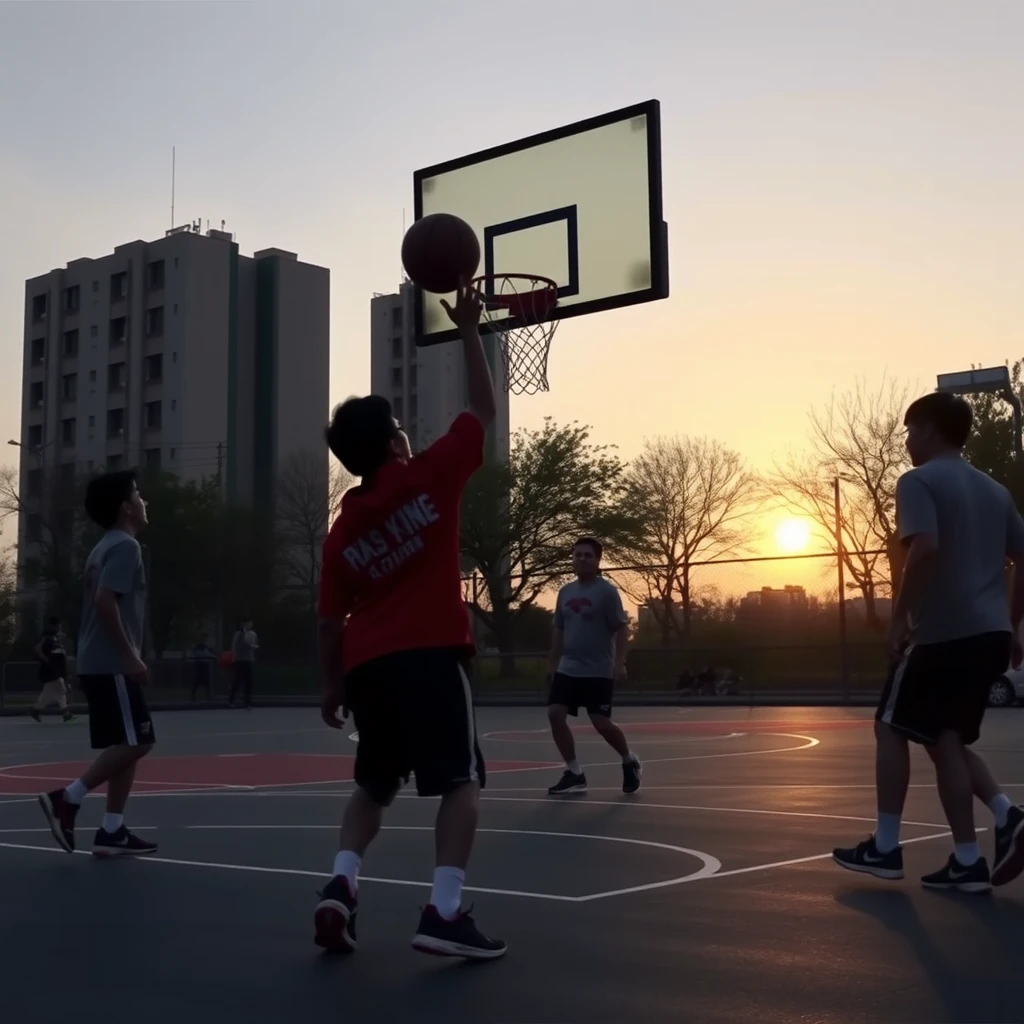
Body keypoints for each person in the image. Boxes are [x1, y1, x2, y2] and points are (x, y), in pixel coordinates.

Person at [314, 280, 505, 960]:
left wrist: (333, 689)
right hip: (430, 654)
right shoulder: (431, 474)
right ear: (396, 441)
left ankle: (341, 886)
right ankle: (444, 911)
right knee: (461, 780)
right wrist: (469, 328)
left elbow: (331, 623)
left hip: (369, 666)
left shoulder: (340, 535)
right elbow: (482, 406)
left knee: (374, 783)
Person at [833, 392, 1024, 892]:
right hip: (989, 633)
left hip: (943, 633)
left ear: (931, 430)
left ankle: (886, 846)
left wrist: (898, 623)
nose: (907, 441)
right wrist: (1013, 624)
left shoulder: (918, 481)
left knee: (890, 726)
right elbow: (1023, 558)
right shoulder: (995, 490)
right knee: (947, 741)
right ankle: (975, 851)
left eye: (910, 430)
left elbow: (925, 549)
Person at [37, 470, 158, 857]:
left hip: (96, 660)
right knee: (140, 740)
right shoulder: (126, 547)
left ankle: (112, 829)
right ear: (126, 507)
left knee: (126, 742)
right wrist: (130, 656)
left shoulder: (101, 547)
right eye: (138, 494)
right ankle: (68, 798)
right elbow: (106, 602)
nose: (144, 500)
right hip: (111, 662)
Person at [545, 538, 641, 796]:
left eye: (588, 555)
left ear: (598, 561)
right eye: (578, 555)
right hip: (568, 667)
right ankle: (575, 772)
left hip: (598, 669)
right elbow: (559, 629)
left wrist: (620, 662)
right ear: (572, 559)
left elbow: (621, 629)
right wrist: (552, 662)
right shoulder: (565, 592)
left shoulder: (607, 592)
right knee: (555, 714)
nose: (582, 559)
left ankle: (628, 759)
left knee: (601, 722)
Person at [30, 616, 74, 723]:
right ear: (55, 626)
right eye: (59, 626)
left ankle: (36, 710)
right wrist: (47, 660)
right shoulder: (46, 636)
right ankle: (65, 712)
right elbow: (37, 649)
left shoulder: (55, 638)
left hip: (55, 669)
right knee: (60, 687)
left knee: (50, 693)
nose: (60, 628)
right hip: (49, 669)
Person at [229, 619, 258, 708]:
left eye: (251, 624)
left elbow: (256, 644)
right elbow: (234, 645)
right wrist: (234, 656)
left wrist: (254, 646)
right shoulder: (239, 633)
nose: (249, 625)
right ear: (244, 624)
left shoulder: (253, 634)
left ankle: (247, 702)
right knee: (237, 680)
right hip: (240, 659)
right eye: (248, 624)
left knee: (249, 681)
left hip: (249, 659)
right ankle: (231, 700)